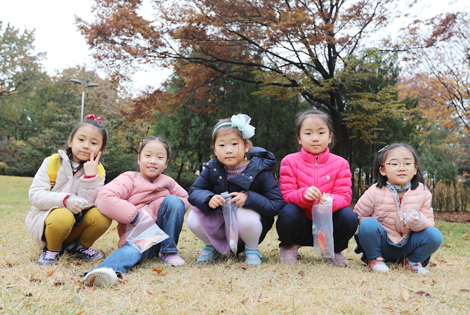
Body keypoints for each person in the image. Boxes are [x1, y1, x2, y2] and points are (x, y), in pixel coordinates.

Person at [82, 136, 190, 288]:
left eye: (159, 157)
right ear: (139, 159)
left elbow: (185, 198)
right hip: (140, 236)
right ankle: (102, 272)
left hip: (165, 239)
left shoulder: (169, 182)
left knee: (174, 200)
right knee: (131, 251)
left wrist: (164, 207)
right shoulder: (129, 178)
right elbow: (104, 197)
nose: (153, 161)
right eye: (148, 155)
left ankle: (169, 252)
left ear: (165, 164)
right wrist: (135, 216)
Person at [187, 114, 285, 266]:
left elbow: (277, 203)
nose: (228, 150)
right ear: (214, 149)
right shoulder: (211, 168)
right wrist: (208, 198)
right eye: (222, 145)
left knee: (245, 215)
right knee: (193, 218)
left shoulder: (259, 171)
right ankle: (213, 246)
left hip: (249, 226)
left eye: (234, 144)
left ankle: (252, 250)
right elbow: (195, 191)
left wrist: (249, 198)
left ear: (246, 146)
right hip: (220, 223)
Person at [26, 114, 111, 265]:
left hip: (76, 225)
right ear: (70, 141)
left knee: (103, 216)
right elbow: (35, 195)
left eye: (93, 143)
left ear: (101, 149)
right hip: (49, 223)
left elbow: (90, 203)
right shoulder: (51, 162)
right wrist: (65, 200)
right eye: (81, 139)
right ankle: (52, 249)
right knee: (62, 216)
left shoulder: (99, 172)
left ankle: (78, 247)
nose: (86, 145)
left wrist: (91, 176)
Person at [276, 109, 358, 266]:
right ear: (299, 138)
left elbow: (345, 197)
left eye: (321, 133)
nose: (315, 138)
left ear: (330, 137)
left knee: (349, 217)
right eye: (308, 133)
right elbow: (287, 194)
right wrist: (303, 195)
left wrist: (329, 201)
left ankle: (333, 250)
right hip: (301, 222)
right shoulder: (289, 161)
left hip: (327, 222)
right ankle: (289, 247)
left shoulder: (341, 164)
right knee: (288, 212)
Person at [353, 143, 442, 274]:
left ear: (415, 168)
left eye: (407, 164)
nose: (402, 168)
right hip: (382, 244)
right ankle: (375, 259)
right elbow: (358, 215)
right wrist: (375, 225)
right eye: (394, 164)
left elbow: (429, 221)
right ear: (383, 170)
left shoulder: (423, 191)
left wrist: (419, 221)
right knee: (367, 223)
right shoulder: (374, 191)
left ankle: (412, 261)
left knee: (435, 235)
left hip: (409, 244)